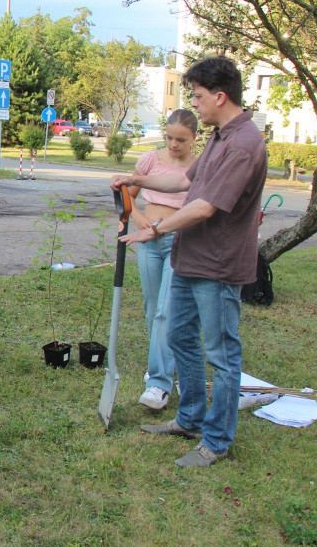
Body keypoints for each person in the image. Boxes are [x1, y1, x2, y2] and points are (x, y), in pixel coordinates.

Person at [111, 56, 267, 468]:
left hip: (217, 266)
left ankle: (215, 442)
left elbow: (203, 208)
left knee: (222, 354)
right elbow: (184, 181)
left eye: (197, 97)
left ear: (220, 96)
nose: (194, 104)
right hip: (189, 257)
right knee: (179, 335)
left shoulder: (245, 145)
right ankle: (191, 418)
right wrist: (138, 180)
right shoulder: (219, 137)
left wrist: (155, 229)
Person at [124, 109, 198, 410]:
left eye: (181, 139)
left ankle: (159, 383)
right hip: (149, 242)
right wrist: (139, 218)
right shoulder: (150, 160)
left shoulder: (199, 166)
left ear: (194, 138)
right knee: (152, 308)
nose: (173, 144)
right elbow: (127, 194)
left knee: (167, 310)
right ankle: (163, 362)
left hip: (180, 241)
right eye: (169, 138)